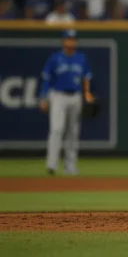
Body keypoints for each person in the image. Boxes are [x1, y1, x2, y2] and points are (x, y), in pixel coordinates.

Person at [39, 29, 95, 175]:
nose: (71, 41)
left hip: (75, 96)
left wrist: (87, 94)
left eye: (73, 39)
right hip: (58, 96)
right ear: (63, 41)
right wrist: (44, 97)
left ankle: (70, 166)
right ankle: (51, 164)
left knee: (73, 132)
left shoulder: (81, 58)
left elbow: (86, 77)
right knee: (57, 129)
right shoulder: (55, 58)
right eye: (69, 39)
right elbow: (46, 79)